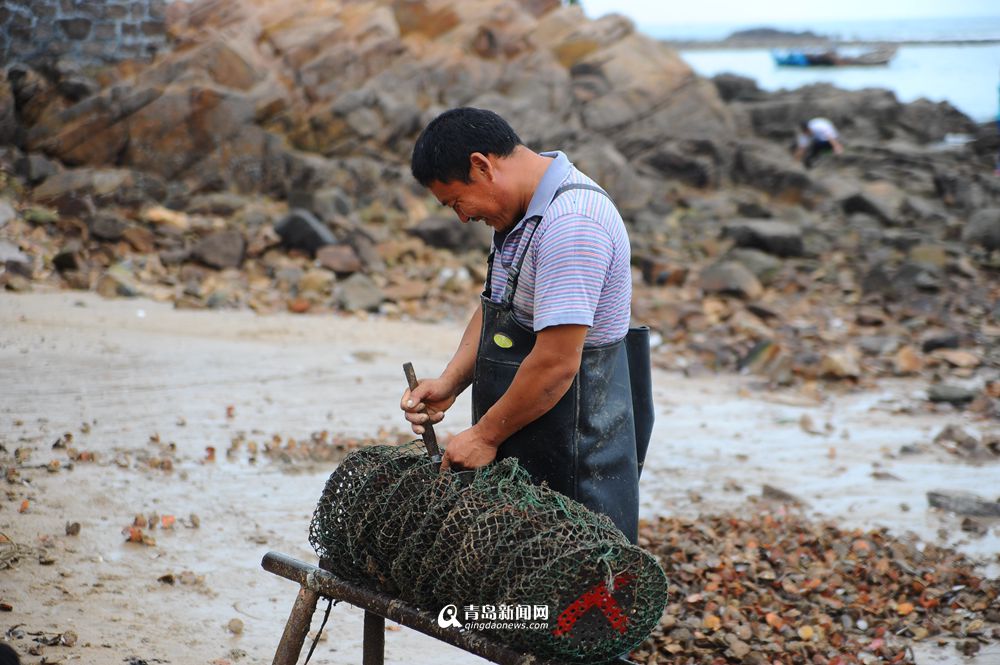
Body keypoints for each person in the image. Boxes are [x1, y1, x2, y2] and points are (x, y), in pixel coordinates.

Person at [400, 107, 653, 543]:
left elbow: (556, 363)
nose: (462, 218)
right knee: (513, 596)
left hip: (579, 458)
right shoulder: (521, 219)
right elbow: (497, 310)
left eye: (457, 202)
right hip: (526, 445)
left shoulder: (572, 222)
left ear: (482, 165)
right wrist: (450, 383)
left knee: (572, 592)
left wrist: (483, 435)